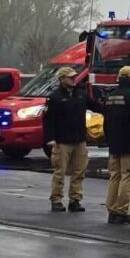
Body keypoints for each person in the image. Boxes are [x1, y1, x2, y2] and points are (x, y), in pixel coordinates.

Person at [43, 67, 94, 212]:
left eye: (74, 77)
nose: (74, 79)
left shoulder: (82, 94)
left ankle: (75, 199)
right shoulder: (55, 97)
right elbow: (48, 120)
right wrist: (50, 139)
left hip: (79, 139)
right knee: (60, 172)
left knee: (79, 171)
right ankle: (56, 199)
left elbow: (96, 106)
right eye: (70, 77)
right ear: (62, 79)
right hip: (62, 141)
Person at [102, 66, 130, 224]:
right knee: (129, 177)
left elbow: (106, 122)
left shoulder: (111, 97)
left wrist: (109, 139)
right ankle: (121, 210)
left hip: (114, 143)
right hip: (129, 145)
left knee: (115, 177)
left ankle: (111, 209)